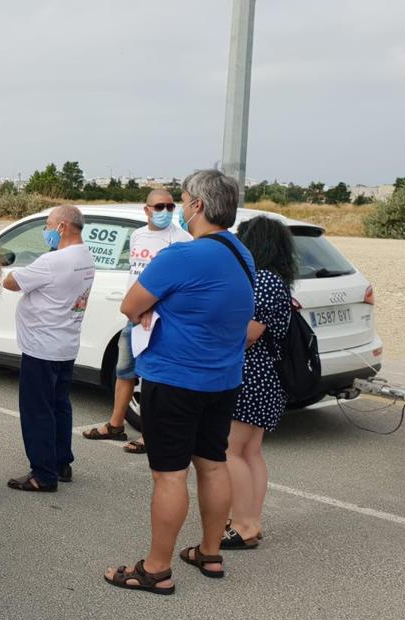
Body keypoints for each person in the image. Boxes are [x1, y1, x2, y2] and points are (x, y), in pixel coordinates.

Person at [103, 169, 254, 595]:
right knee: (212, 463)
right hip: (222, 379)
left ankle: (156, 568)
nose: (180, 209)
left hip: (175, 379)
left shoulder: (182, 256)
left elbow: (132, 306)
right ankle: (210, 552)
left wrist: (152, 311)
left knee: (169, 475)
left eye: (184, 200)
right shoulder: (241, 253)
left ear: (198, 206)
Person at [82, 188, 191, 454]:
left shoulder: (183, 240)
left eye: (169, 206)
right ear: (147, 210)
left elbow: (180, 284)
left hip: (159, 320)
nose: (165, 211)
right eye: (159, 207)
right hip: (134, 317)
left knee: (154, 379)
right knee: (124, 371)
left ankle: (152, 435)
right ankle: (116, 424)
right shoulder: (138, 235)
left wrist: (152, 309)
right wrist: (136, 308)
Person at [2, 205, 95, 492]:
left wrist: (20, 269)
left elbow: (10, 282)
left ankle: (42, 474)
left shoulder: (52, 262)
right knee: (59, 405)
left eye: (48, 225)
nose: (46, 231)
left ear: (62, 227)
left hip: (42, 346)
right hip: (66, 343)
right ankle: (60, 462)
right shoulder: (86, 256)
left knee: (37, 410)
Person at [222, 216, 295, 550]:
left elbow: (248, 335)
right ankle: (252, 521)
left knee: (231, 451)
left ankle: (242, 524)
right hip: (266, 377)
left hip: (251, 374)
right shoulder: (277, 280)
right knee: (250, 452)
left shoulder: (262, 280)